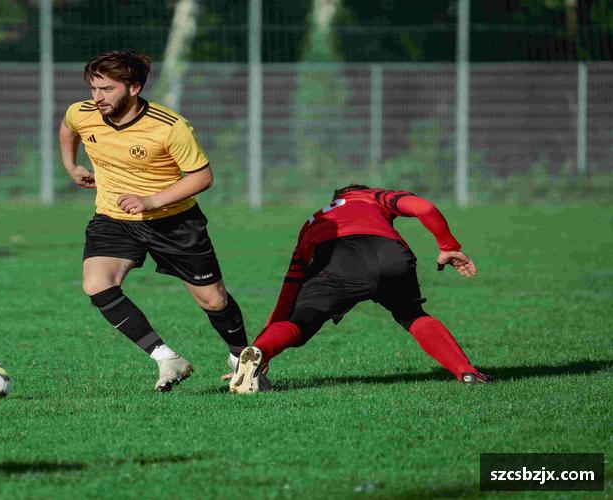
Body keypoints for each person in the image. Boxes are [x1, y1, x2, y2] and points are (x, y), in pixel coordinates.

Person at [59, 51, 256, 392]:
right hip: (114, 218)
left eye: (106, 89)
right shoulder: (83, 113)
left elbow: (201, 177)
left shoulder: (169, 127)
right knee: (97, 284)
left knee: (213, 301)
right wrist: (71, 165)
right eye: (94, 88)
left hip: (174, 222)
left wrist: (150, 200)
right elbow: (68, 128)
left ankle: (242, 359)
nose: (97, 97)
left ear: (134, 87)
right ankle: (167, 358)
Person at [229, 184, 491, 394]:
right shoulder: (371, 196)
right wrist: (448, 246)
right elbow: (424, 207)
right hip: (390, 254)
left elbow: (289, 289)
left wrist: (263, 350)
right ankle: (466, 372)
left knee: (302, 319)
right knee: (412, 314)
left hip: (336, 259)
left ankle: (258, 353)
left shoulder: (311, 222)